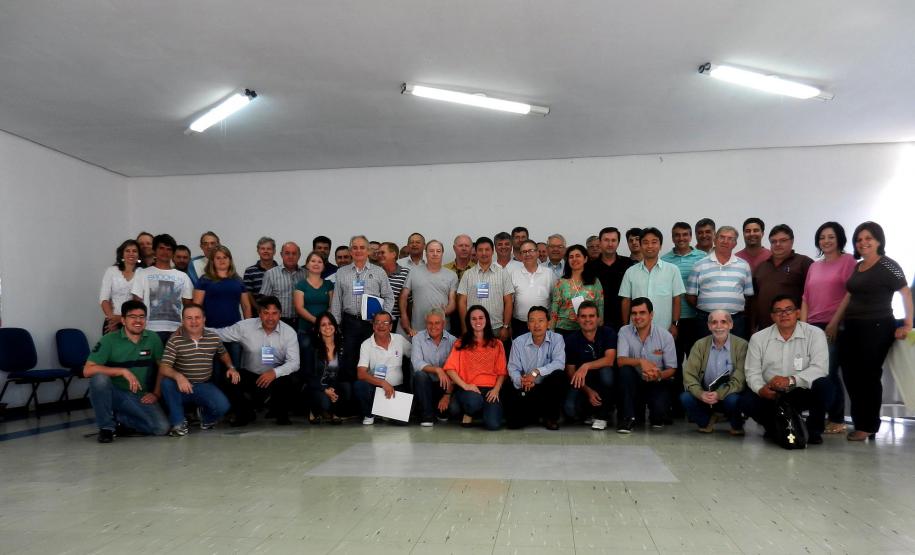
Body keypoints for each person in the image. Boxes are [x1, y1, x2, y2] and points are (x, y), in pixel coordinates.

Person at [835, 222, 913, 441]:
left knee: (868, 376)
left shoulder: (889, 265)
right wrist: (834, 323)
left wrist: (907, 324)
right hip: (852, 326)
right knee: (850, 375)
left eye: (868, 238)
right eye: (859, 239)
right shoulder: (857, 266)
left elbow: (905, 294)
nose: (863, 243)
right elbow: (849, 295)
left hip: (878, 326)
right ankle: (861, 421)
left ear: (879, 240)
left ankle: (868, 426)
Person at [740, 295, 833, 445]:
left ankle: (813, 430)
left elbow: (820, 368)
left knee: (825, 386)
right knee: (745, 400)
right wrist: (760, 389)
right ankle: (773, 426)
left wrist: (790, 380)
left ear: (797, 313)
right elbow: (752, 372)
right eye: (778, 311)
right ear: (772, 316)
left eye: (788, 310)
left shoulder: (815, 334)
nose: (784, 314)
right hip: (772, 392)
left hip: (799, 390)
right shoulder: (758, 338)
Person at [84, 300, 169, 442]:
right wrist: (121, 371)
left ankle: (121, 419)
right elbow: (87, 370)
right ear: (123, 320)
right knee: (99, 379)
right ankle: (106, 428)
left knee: (162, 428)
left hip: (139, 395)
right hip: (114, 393)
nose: (138, 320)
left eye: (142, 317)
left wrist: (156, 393)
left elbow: (163, 367)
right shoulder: (108, 340)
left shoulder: (153, 338)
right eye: (132, 317)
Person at [800, 222, 856, 434]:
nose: (826, 241)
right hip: (812, 325)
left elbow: (850, 294)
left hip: (834, 325)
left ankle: (837, 417)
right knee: (815, 372)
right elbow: (805, 297)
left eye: (830, 237)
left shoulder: (848, 261)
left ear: (839, 238)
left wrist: (834, 323)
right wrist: (803, 327)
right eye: (822, 237)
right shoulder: (815, 266)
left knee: (829, 372)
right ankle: (821, 415)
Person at [213, 296, 300, 426]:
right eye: (266, 313)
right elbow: (220, 334)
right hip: (251, 375)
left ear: (280, 314)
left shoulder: (289, 333)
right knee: (229, 378)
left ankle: (281, 413)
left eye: (274, 313)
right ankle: (244, 413)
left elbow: (294, 363)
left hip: (276, 378)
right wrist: (194, 329)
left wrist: (274, 373)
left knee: (292, 378)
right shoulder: (245, 327)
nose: (270, 318)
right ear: (259, 314)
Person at [158, 304, 237, 436]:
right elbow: (164, 367)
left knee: (223, 406)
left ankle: (205, 418)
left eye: (197, 317)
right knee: (166, 383)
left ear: (204, 319)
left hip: (202, 386)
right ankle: (178, 423)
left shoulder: (213, 338)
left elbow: (223, 353)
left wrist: (231, 367)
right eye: (189, 318)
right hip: (180, 388)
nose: (193, 322)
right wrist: (179, 377)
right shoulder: (175, 340)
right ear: (183, 320)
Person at [330, 235, 395, 382]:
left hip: (372, 324)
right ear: (350, 251)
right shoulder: (342, 272)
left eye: (362, 247)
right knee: (349, 360)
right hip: (349, 322)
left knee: (372, 361)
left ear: (368, 251)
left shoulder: (379, 272)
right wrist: (336, 324)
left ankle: (369, 394)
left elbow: (389, 297)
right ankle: (350, 398)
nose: (358, 250)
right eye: (355, 247)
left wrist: (383, 320)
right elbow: (337, 300)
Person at [680, 310, 747, 435]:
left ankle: (736, 425)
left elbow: (740, 379)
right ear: (709, 326)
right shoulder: (699, 345)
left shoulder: (742, 345)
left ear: (731, 324)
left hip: (729, 394)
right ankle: (706, 422)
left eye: (723, 322)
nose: (719, 326)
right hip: (705, 395)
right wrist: (700, 394)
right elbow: (689, 375)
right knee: (686, 398)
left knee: (734, 400)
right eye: (714, 322)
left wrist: (719, 394)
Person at [615, 297, 677, 432]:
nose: (637, 317)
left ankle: (658, 412)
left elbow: (672, 369)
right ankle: (628, 418)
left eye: (642, 313)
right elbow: (621, 360)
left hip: (657, 382)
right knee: (625, 371)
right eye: (634, 313)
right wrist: (641, 361)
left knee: (658, 418)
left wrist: (659, 375)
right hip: (634, 382)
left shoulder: (665, 336)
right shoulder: (624, 331)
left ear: (651, 315)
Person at [444, 306, 508, 430]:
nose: (477, 322)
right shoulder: (461, 343)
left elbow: (502, 372)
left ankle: (477, 411)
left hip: (490, 390)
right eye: (473, 319)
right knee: (472, 402)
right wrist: (465, 386)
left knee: (493, 425)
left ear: (486, 320)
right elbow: (450, 369)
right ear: (468, 321)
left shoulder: (497, 344)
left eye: (480, 318)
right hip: (469, 389)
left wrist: (496, 390)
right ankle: (470, 411)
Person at [660, 222, 707, 390]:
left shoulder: (703, 258)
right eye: (677, 235)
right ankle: (677, 403)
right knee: (675, 360)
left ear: (690, 236)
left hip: (697, 318)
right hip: (674, 320)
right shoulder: (664, 260)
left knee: (699, 361)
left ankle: (699, 399)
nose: (681, 238)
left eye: (685, 234)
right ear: (672, 238)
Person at [504, 306, 567, 430]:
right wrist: (522, 381)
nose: (536, 325)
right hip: (527, 388)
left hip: (546, 388)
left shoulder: (557, 339)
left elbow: (559, 363)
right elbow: (513, 368)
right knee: (513, 424)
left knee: (559, 376)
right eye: (532, 321)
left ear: (548, 323)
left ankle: (550, 418)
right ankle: (535, 415)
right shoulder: (518, 342)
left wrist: (536, 372)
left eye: (541, 320)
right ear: (527, 325)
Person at [686, 226, 754, 339]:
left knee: (736, 354)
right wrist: (707, 307)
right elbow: (690, 296)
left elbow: (748, 296)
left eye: (730, 238)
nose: (725, 241)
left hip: (735, 321)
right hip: (706, 320)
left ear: (735, 243)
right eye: (722, 237)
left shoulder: (744, 265)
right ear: (715, 239)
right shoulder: (699, 264)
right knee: (705, 353)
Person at [130, 233, 194, 344]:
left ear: (173, 252)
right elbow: (136, 303)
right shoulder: (142, 273)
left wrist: (185, 328)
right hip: (149, 329)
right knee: (151, 361)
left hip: (177, 330)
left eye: (169, 249)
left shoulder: (183, 277)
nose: (165, 252)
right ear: (154, 250)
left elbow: (188, 305)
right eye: (161, 248)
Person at [563, 301, 616, 430]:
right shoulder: (571, 340)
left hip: (605, 383)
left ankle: (603, 414)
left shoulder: (608, 333)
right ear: (577, 318)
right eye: (583, 316)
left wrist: (586, 366)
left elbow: (609, 359)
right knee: (569, 409)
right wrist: (588, 391)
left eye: (591, 316)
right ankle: (589, 413)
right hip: (583, 384)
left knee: (606, 373)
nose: (587, 320)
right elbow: (570, 372)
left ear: (598, 318)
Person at [619, 227, 684, 333]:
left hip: (664, 329)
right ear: (640, 245)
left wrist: (675, 324)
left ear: (660, 245)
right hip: (635, 330)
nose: (650, 246)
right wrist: (626, 326)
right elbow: (626, 301)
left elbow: (676, 299)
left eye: (654, 242)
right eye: (645, 242)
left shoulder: (672, 270)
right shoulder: (630, 272)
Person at [353, 311, 412, 425]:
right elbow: (361, 374)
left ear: (390, 326)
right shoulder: (366, 344)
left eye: (385, 322)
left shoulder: (399, 339)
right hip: (376, 388)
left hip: (396, 388)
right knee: (360, 385)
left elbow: (414, 354)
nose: (381, 326)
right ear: (373, 326)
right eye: (378, 322)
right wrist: (382, 383)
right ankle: (369, 414)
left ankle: (385, 413)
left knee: (402, 423)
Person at [751, 224, 813, 331]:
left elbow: (812, 295)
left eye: (783, 240)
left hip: (795, 328)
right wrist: (753, 326)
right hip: (765, 330)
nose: (778, 244)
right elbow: (754, 299)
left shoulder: (804, 263)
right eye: (773, 241)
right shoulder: (761, 267)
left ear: (792, 241)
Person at [456, 237, 514, 341]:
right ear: (476, 252)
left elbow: (508, 302)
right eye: (480, 250)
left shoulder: (502, 273)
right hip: (473, 328)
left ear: (492, 251)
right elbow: (462, 302)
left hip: (497, 328)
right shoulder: (468, 274)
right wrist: (465, 328)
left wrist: (505, 326)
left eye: (487, 249)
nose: (484, 253)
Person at [411, 308, 458, 426]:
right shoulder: (417, 338)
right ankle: (427, 416)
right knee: (419, 375)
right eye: (430, 323)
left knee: (454, 410)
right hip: (424, 385)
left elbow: (456, 370)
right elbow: (416, 363)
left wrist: (447, 395)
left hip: (445, 386)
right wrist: (438, 370)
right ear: (426, 323)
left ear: (444, 323)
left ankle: (440, 410)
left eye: (437, 323)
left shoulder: (453, 341)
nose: (433, 327)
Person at [400, 240, 458, 335]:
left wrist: (446, 310)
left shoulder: (452, 275)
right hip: (418, 329)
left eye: (438, 251)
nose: (435, 254)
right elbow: (403, 296)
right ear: (425, 253)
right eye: (431, 251)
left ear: (442, 253)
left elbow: (452, 301)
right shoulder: (413, 272)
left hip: (443, 329)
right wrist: (404, 316)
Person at [306, 312, 351, 423]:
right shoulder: (312, 348)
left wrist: (332, 389)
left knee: (347, 388)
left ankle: (333, 413)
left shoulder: (342, 347)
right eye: (323, 325)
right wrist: (324, 390)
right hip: (317, 386)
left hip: (334, 385)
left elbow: (345, 373)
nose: (327, 327)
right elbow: (307, 375)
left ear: (335, 327)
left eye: (330, 323)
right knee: (324, 402)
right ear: (318, 329)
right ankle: (314, 410)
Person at [193, 245, 252, 329]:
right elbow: (196, 306)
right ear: (212, 261)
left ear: (230, 260)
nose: (222, 260)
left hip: (235, 330)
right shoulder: (204, 280)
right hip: (210, 329)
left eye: (225, 257)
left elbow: (246, 306)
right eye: (218, 258)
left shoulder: (238, 280)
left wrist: (248, 327)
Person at [550, 245, 604, 335]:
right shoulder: (561, 282)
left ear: (585, 259)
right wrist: (551, 331)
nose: (574, 259)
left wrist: (599, 328)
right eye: (571, 257)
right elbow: (554, 309)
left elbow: (600, 306)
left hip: (588, 329)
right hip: (563, 329)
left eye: (578, 256)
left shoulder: (594, 281)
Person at [588, 227, 633, 331]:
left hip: (624, 320)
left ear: (618, 242)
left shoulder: (628, 264)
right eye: (606, 240)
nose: (610, 244)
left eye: (613, 240)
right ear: (600, 242)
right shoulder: (589, 267)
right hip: (597, 321)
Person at [509, 240, 555, 338]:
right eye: (524, 252)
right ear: (520, 255)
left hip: (543, 324)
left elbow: (554, 299)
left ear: (537, 252)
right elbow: (510, 302)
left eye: (531, 250)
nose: (528, 254)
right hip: (520, 324)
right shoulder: (514, 274)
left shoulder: (548, 273)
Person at [260, 241, 306, 328]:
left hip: (302, 321)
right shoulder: (270, 274)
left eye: (294, 253)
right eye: (287, 253)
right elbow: (265, 301)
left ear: (299, 255)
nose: (290, 256)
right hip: (278, 322)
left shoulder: (306, 274)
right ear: (281, 254)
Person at [99, 239, 140, 334]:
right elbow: (104, 299)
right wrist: (112, 320)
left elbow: (139, 301)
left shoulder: (142, 272)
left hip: (133, 322)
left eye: (134, 251)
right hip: (112, 322)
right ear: (122, 253)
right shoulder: (111, 271)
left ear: (138, 255)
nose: (131, 253)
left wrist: (123, 319)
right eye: (127, 251)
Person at [293, 252, 335, 339]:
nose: (316, 264)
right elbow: (299, 308)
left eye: (320, 262)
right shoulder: (300, 285)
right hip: (305, 329)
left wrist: (323, 322)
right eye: (313, 261)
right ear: (307, 265)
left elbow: (332, 306)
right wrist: (317, 321)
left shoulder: (329, 284)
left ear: (323, 266)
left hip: (325, 329)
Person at [444, 234, 475, 331]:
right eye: (461, 245)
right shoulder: (444, 269)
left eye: (467, 246)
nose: (464, 248)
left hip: (471, 314)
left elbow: (482, 295)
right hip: (447, 315)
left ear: (471, 248)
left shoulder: (477, 270)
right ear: (454, 248)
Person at [378, 242, 409, 330]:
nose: (379, 255)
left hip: (397, 322)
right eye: (378, 253)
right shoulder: (374, 273)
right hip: (376, 321)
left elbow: (410, 301)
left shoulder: (406, 273)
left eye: (382, 252)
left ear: (393, 254)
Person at [243, 236, 277, 304]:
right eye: (262, 248)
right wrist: (258, 309)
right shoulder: (249, 271)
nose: (265, 251)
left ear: (274, 251)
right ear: (258, 251)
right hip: (256, 313)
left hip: (277, 312)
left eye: (269, 249)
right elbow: (248, 294)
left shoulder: (281, 271)